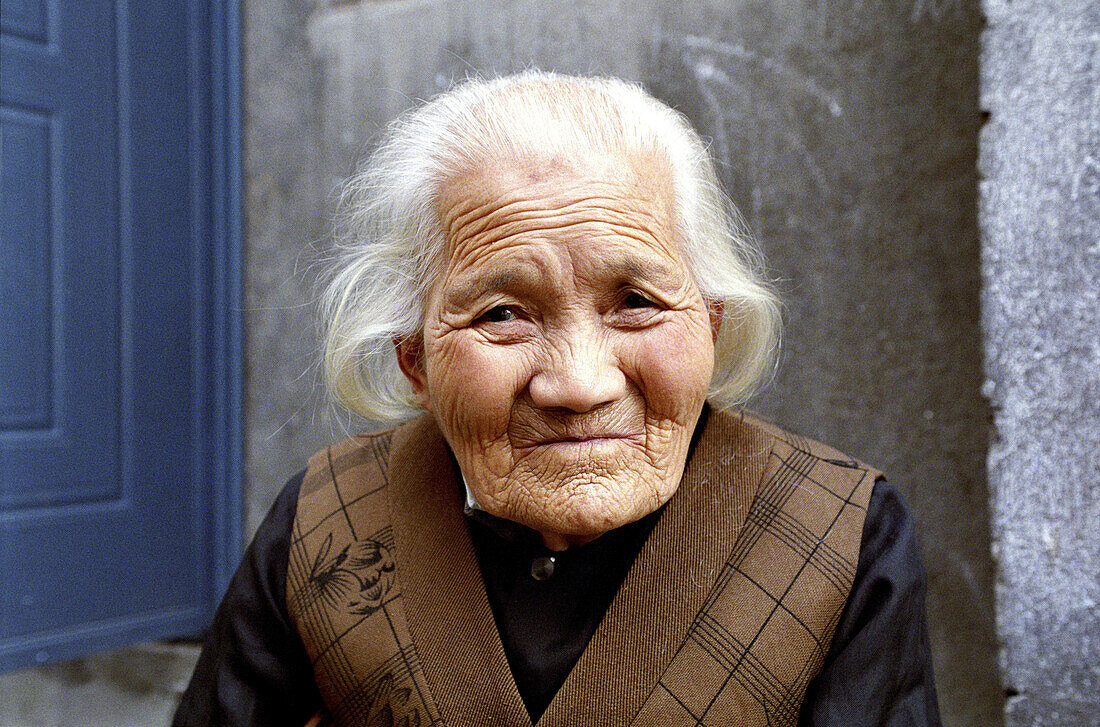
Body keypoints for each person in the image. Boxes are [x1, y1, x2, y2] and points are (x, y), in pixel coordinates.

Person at [174, 71, 941, 726]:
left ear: (709, 325)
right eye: (501, 314)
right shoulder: (321, 518)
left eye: (636, 300)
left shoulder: (841, 534)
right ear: (415, 360)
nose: (578, 384)